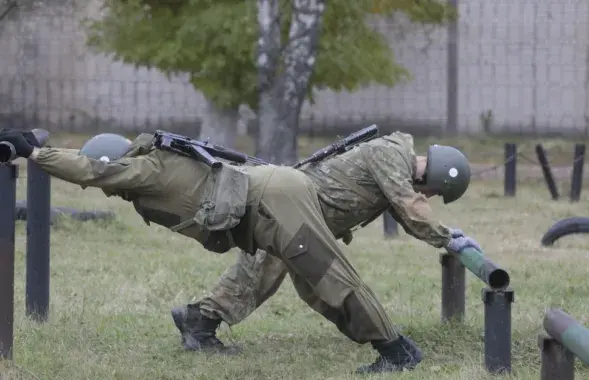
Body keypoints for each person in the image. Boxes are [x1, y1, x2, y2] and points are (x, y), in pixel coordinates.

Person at [0, 128, 480, 374]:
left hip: (279, 199)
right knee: (310, 278)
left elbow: (88, 170)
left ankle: (395, 351)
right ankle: (200, 319)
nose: (104, 188)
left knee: (327, 272)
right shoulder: (148, 167)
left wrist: (34, 152)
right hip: (272, 202)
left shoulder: (140, 171)